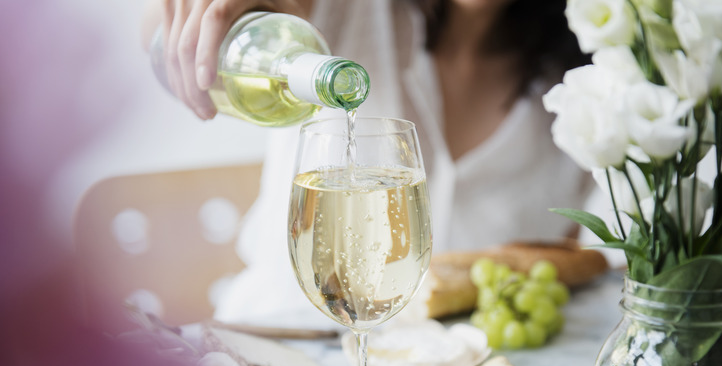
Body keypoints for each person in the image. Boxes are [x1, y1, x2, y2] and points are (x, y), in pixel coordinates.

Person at [142, 0, 593, 328]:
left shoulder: (596, 86)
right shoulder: (334, 11)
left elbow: (579, 266)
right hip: (284, 352)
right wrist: (204, 22)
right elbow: (159, 35)